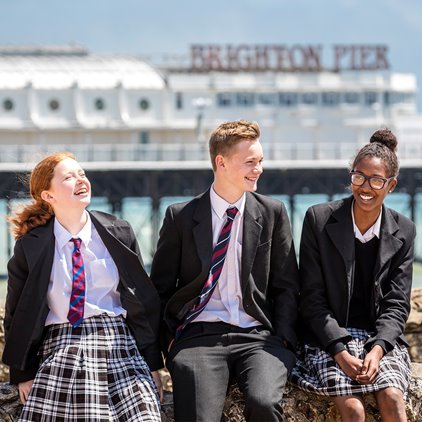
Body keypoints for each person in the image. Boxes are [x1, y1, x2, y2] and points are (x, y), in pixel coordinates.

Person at [150, 119, 299, 422]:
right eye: (250, 162)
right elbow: (161, 288)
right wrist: (167, 342)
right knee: (199, 416)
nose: (259, 169)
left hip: (259, 335)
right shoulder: (181, 217)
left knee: (264, 404)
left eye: (260, 161)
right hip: (198, 335)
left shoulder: (273, 213)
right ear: (221, 162)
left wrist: (284, 337)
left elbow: (286, 286)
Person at [3, 152, 163, 421]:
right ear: (48, 196)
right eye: (68, 177)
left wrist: (153, 364)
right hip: (61, 343)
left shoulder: (118, 230)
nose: (81, 180)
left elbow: (141, 302)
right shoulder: (31, 245)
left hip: (118, 342)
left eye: (82, 174)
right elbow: (16, 312)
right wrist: (23, 373)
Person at [290, 129, 415, 421]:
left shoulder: (404, 229)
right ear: (351, 176)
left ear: (391, 185)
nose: (365, 187)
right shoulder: (318, 220)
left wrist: (378, 349)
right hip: (328, 336)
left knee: (393, 398)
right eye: (358, 177)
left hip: (378, 338)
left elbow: (397, 304)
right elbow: (311, 298)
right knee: (353, 409)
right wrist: (340, 352)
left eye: (376, 180)